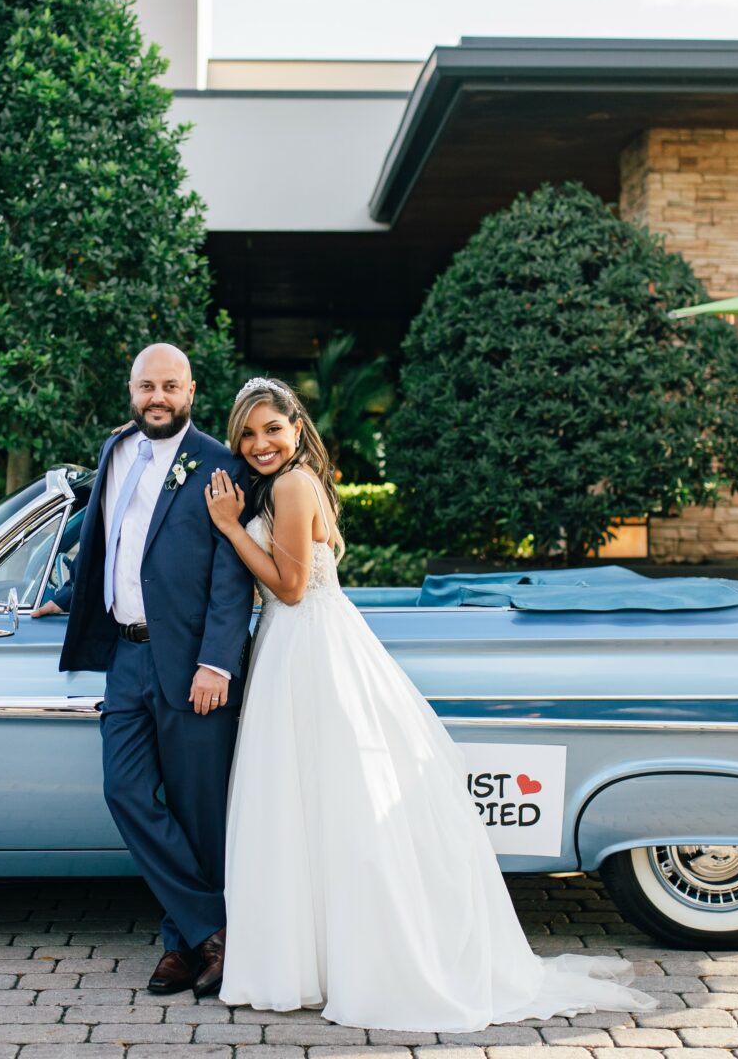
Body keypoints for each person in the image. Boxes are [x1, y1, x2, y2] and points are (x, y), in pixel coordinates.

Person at [203, 376, 657, 1032]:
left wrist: (228, 527)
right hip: (295, 646)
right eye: (247, 434)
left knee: (317, 805)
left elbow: (292, 587)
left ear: (297, 428)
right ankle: (319, 959)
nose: (260, 443)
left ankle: (339, 962)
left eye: (272, 428)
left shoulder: (293, 486)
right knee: (312, 809)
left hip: (307, 649)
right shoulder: (282, 486)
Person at [31, 344, 253, 999]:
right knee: (124, 791)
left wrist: (217, 661)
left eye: (169, 387)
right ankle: (213, 930)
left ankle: (182, 946)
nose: (157, 398)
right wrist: (67, 596)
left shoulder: (219, 463)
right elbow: (108, 540)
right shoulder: (116, 450)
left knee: (197, 811)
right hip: (126, 658)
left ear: (191, 391)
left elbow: (232, 574)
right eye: (146, 386)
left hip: (191, 662)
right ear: (132, 390)